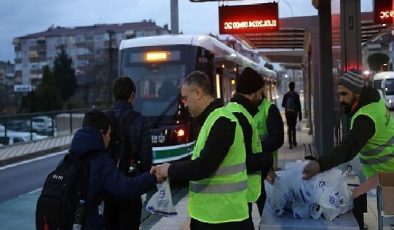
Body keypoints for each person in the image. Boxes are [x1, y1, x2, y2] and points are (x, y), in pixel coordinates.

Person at [151, 71, 251, 230]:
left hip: (224, 219)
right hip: (211, 217)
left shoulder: (223, 122)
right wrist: (168, 167)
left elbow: (202, 167)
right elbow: (197, 162)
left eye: (185, 98)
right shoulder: (210, 121)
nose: (184, 103)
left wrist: (170, 169)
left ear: (198, 93)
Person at [70, 110, 156, 230]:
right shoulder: (100, 161)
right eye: (109, 134)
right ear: (101, 133)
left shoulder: (68, 158)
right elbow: (125, 188)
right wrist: (152, 177)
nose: (109, 139)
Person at [303, 69, 394, 181]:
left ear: (357, 93)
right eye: (339, 94)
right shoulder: (376, 101)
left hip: (387, 174)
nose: (341, 99)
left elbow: (348, 148)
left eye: (344, 94)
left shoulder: (365, 118)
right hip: (385, 173)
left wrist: (320, 164)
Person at [104, 77, 153, 230]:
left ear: (114, 96)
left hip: (108, 188)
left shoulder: (104, 119)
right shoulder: (141, 120)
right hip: (131, 188)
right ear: (132, 95)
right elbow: (146, 160)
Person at [253, 82, 284, 215]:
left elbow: (277, 139)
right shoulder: (238, 109)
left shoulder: (269, 109)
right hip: (244, 171)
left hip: (266, 171)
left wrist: (254, 147)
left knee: (267, 214)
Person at [282, 81, 302, 149]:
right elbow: (299, 106)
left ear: (289, 87)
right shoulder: (296, 95)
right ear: (294, 87)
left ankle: (290, 142)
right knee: (293, 127)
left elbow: (283, 105)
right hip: (294, 113)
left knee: (289, 127)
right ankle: (294, 142)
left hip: (288, 113)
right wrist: (300, 115)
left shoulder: (286, 95)